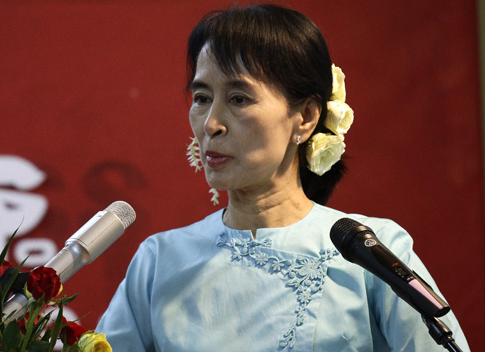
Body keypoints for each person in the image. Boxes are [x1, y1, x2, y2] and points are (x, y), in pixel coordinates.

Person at [96, 4, 470, 351]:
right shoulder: (160, 261)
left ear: (305, 117)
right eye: (201, 97)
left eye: (239, 98)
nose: (211, 124)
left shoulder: (371, 250)